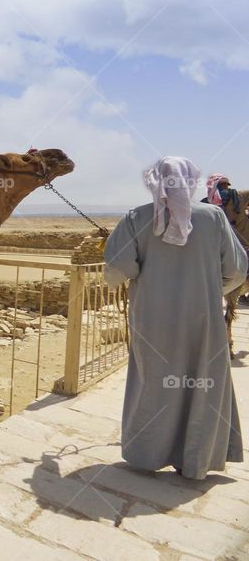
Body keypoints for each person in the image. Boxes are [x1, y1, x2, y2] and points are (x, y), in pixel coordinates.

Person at [104, 157, 247, 479]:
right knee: (203, 383)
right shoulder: (213, 218)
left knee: (152, 382)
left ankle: (147, 454)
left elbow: (118, 269)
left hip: (152, 321)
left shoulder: (136, 218)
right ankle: (196, 460)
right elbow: (237, 270)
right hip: (203, 320)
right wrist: (210, 288)